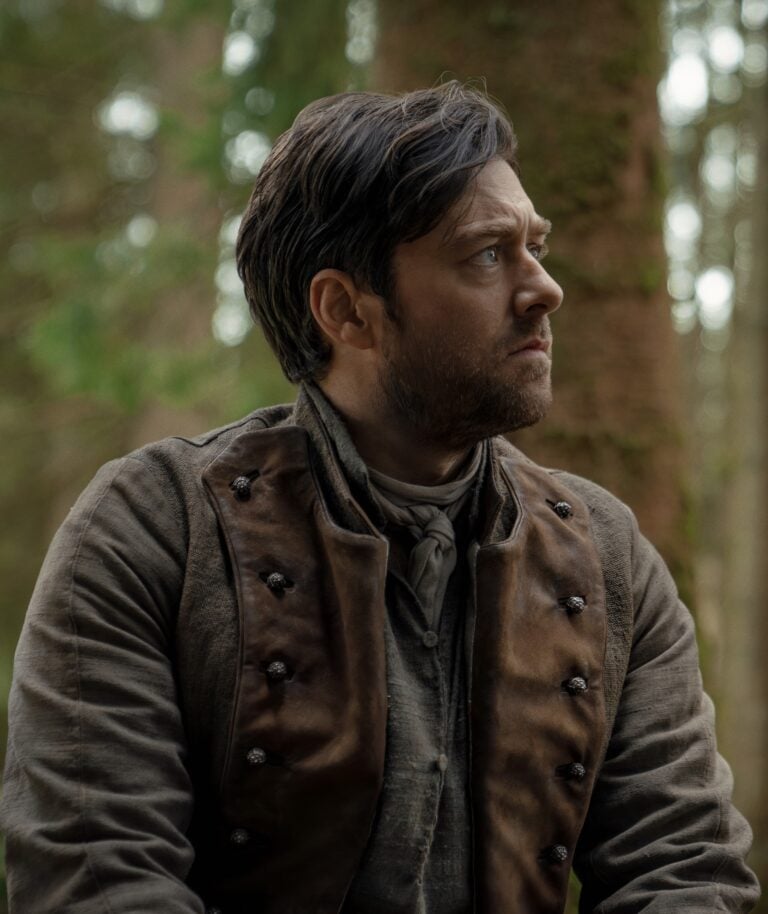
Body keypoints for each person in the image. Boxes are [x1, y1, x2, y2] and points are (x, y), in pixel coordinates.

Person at [1, 82, 760, 914]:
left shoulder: (608, 556)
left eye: (535, 246)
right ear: (346, 312)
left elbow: (684, 873)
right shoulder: (153, 530)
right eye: (486, 254)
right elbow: (95, 878)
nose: (545, 289)